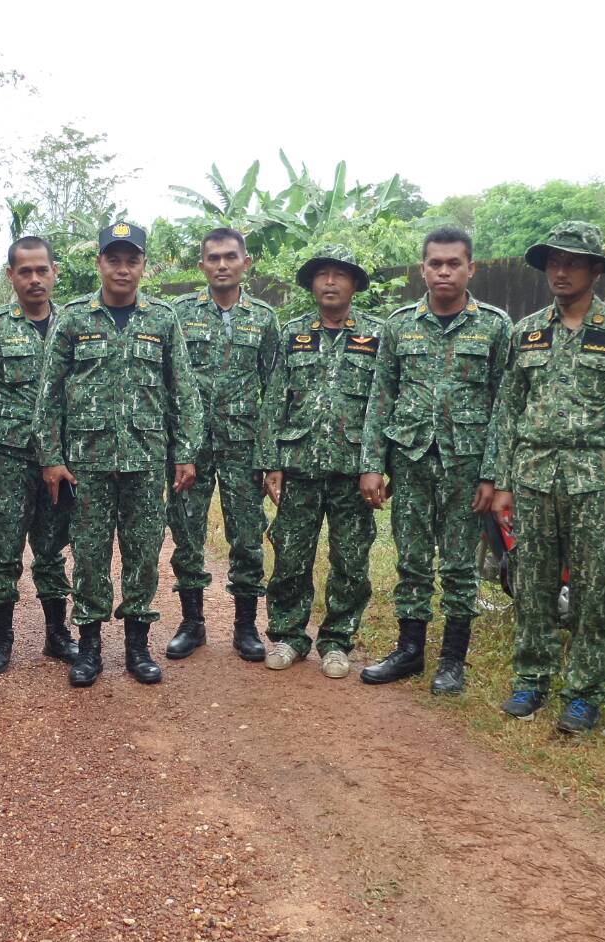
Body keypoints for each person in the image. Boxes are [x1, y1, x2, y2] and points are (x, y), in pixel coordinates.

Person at [488, 221, 605, 733]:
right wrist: (502, 481)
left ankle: (583, 692)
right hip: (534, 475)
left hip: (597, 480)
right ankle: (531, 678)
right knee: (532, 580)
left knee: (595, 588)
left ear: (595, 270)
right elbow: (509, 409)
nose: (561, 271)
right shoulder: (526, 331)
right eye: (554, 262)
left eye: (573, 262)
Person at [34, 221, 201, 687]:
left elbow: (183, 391)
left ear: (144, 265)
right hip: (86, 463)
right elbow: (49, 395)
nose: (122, 269)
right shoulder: (73, 318)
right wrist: (51, 457)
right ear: (99, 263)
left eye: (132, 260)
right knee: (89, 554)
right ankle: (89, 646)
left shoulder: (162, 319)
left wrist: (185, 452)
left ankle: (137, 645)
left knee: (143, 552)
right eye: (114, 259)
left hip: (146, 460)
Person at [360, 227, 512, 694]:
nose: (444, 271)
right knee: (412, 560)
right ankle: (409, 650)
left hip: (467, 466)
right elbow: (381, 397)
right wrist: (372, 464)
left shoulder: (494, 326)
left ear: (471, 268)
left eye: (453, 263)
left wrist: (493, 474)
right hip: (410, 461)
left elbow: (504, 405)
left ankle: (452, 660)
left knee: (461, 565)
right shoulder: (399, 325)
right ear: (422, 268)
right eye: (435, 263)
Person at [255, 246, 383, 679]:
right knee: (290, 556)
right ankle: (289, 636)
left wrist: (376, 464)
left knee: (351, 559)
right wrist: (270, 461)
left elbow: (382, 404)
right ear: (311, 284)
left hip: (353, 471)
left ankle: (337, 641)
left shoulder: (378, 335)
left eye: (340, 275)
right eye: (322, 274)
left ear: (354, 284)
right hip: (299, 466)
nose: (330, 282)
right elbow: (275, 399)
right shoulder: (292, 333)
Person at [162, 227, 278, 663]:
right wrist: (177, 445)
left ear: (246, 263)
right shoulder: (180, 314)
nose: (222, 265)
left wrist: (269, 457)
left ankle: (245, 627)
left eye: (231, 257)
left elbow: (274, 390)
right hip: (189, 447)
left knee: (247, 536)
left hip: (242, 446)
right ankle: (192, 623)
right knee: (187, 533)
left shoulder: (264, 318)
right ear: (202, 266)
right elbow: (169, 382)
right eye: (213, 258)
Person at [0, 236, 79, 674]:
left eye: (42, 270)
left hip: (61, 459)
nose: (34, 279)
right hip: (11, 457)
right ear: (11, 275)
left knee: (52, 547)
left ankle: (57, 634)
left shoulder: (73, 323)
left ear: (54, 272)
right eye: (25, 271)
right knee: (6, 548)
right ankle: (0, 638)